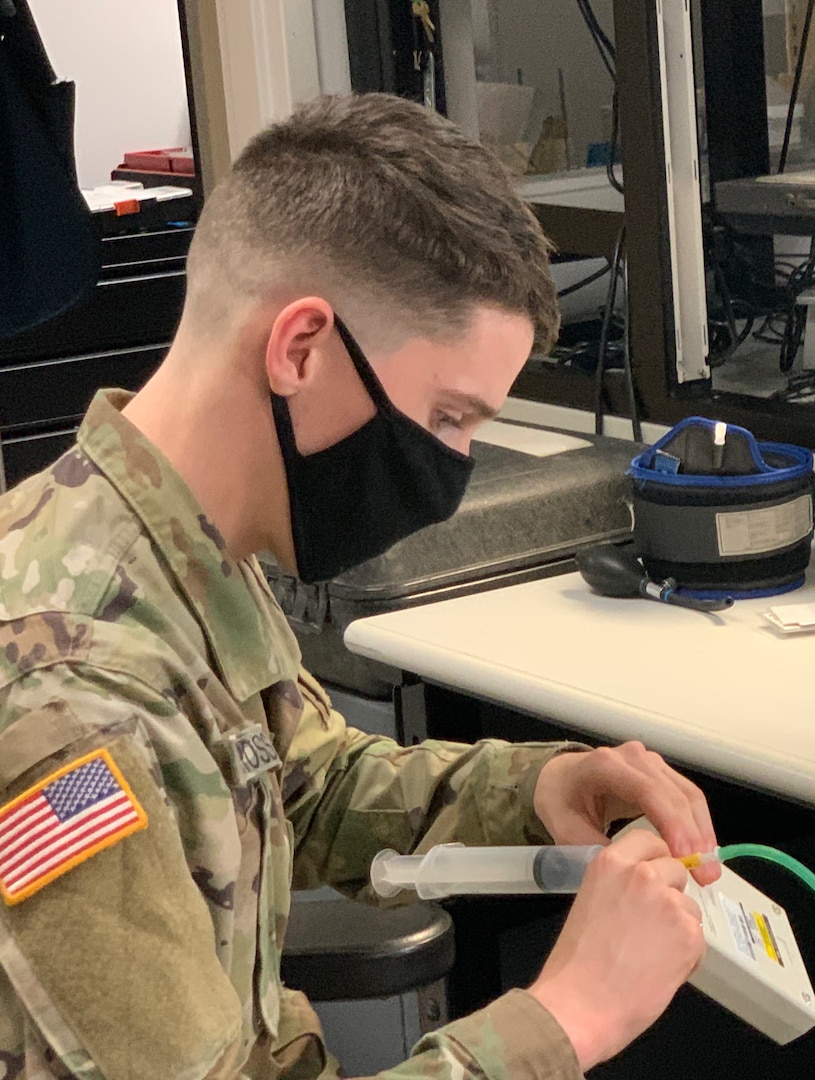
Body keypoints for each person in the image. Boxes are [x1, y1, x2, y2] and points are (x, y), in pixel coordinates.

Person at [0, 92, 717, 1080]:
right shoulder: (74, 702)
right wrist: (573, 1015)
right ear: (299, 349)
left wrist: (534, 788)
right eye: (449, 417)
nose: (453, 466)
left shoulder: (168, 547)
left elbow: (301, 782)